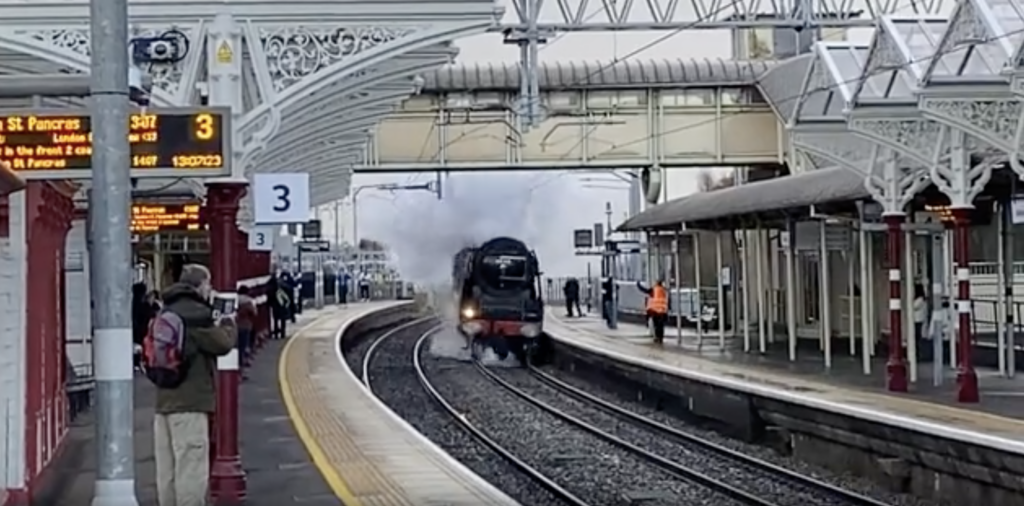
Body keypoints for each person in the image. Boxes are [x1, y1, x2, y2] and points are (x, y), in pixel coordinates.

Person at [153, 264, 235, 506]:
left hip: (163, 403)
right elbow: (222, 345)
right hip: (190, 404)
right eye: (208, 284)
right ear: (201, 285)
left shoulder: (166, 310)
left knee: (167, 471)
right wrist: (228, 323)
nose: (210, 289)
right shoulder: (197, 314)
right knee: (190, 468)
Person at [132, 283, 159, 372]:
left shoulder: (133, 303)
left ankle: (137, 362)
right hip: (142, 330)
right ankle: (140, 362)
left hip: (138, 329)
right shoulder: (144, 306)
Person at [637, 278, 669, 343]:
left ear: (657, 283)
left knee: (656, 325)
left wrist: (638, 285)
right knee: (661, 326)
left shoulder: (654, 289)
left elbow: (645, 290)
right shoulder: (663, 290)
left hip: (655, 310)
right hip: (662, 311)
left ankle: (657, 337)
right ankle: (661, 338)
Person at [236, 285, 258, 374]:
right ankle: (241, 369)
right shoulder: (249, 301)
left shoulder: (235, 300)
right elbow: (254, 313)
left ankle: (237, 367)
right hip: (245, 326)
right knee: (243, 347)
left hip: (235, 326)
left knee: (236, 348)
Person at [912, 283, 927, 348]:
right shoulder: (923, 299)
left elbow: (914, 306)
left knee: (917, 335)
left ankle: (918, 349)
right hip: (919, 319)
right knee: (917, 335)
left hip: (917, 320)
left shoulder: (920, 299)